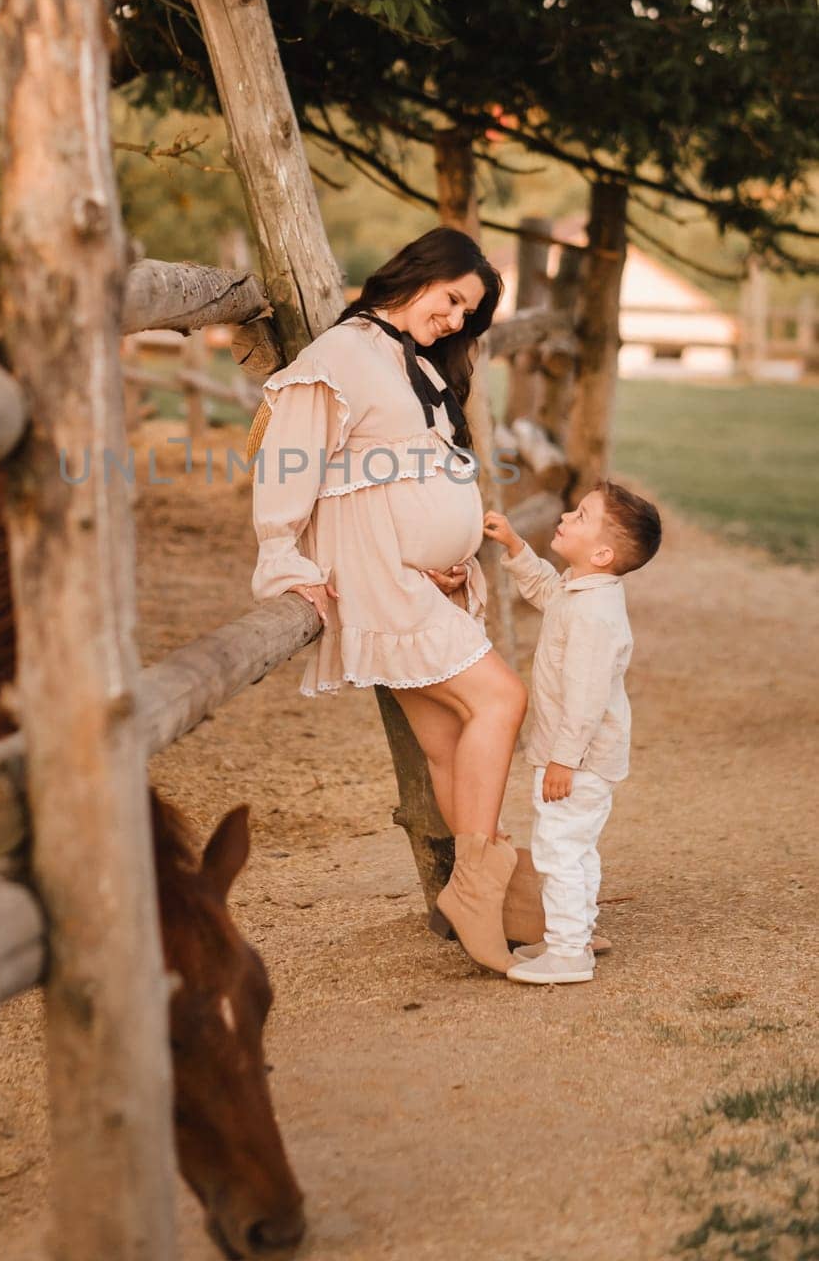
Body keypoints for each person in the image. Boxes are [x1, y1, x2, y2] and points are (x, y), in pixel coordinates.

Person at [250, 227, 528, 975]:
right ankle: (483, 887)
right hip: (371, 567)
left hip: (412, 574)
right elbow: (288, 458)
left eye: (467, 315)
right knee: (501, 700)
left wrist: (446, 554)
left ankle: (504, 906)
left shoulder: (420, 369)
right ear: (418, 275)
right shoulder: (343, 356)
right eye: (452, 301)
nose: (454, 321)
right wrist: (280, 554)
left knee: (446, 740)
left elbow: (413, 471)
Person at [483, 481, 662, 986]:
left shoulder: (594, 615)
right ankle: (575, 934)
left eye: (581, 516)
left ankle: (568, 954)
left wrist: (563, 759)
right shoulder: (581, 589)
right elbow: (546, 590)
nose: (565, 516)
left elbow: (586, 697)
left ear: (603, 553)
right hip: (578, 754)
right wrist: (518, 549)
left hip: (577, 757)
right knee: (574, 846)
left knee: (558, 848)